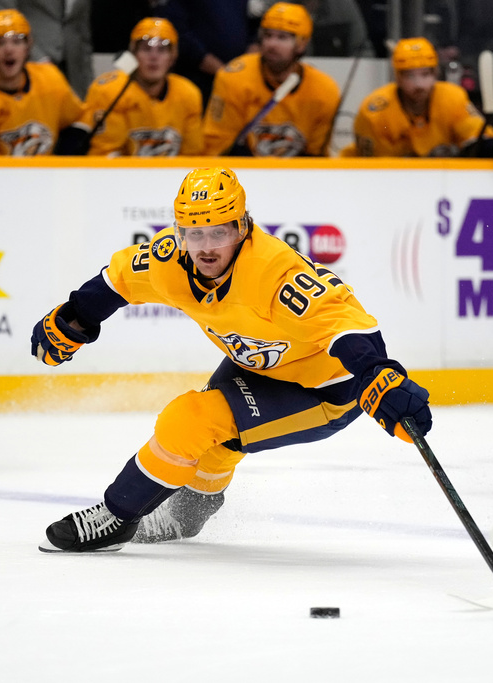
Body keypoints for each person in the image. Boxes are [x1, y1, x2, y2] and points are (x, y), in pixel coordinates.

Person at [34, 167, 433, 552]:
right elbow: (118, 280)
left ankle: (116, 517)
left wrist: (377, 375)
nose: (206, 246)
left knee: (190, 419)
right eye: (193, 233)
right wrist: (75, 318)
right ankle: (192, 510)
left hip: (327, 389)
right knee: (215, 436)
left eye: (219, 232)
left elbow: (343, 324)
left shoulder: (274, 273)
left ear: (242, 227)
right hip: (260, 362)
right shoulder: (169, 260)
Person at [343, 36, 493, 174]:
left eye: (426, 74)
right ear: (397, 77)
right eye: (410, 76)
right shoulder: (375, 112)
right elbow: (376, 173)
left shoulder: (452, 98)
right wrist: (426, 162)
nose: (419, 85)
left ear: (435, 75)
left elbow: (477, 139)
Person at [202, 2, 340, 156]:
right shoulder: (234, 78)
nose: (272, 44)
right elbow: (216, 146)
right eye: (268, 36)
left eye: (282, 37)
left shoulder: (324, 90)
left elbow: (316, 156)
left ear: (302, 44)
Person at [73, 17, 203, 156]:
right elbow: (106, 155)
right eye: (146, 49)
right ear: (133, 55)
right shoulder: (110, 91)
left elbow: (193, 156)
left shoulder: (188, 94)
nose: (154, 57)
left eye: (162, 50)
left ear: (172, 58)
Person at [0, 8, 84, 155]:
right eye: (0, 43)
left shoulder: (50, 79)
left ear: (28, 46)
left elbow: (80, 117)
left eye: (17, 42)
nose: (9, 50)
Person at [0, 0, 93, 97]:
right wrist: (39, 59)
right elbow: (2, 15)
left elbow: (82, 29)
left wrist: (88, 83)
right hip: (27, 67)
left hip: (74, 72)